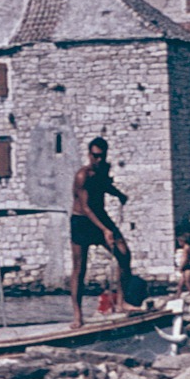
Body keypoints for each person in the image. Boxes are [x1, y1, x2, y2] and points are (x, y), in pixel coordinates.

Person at [70, 136, 135, 328]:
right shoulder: (83, 175)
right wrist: (105, 230)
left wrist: (119, 195)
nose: (98, 160)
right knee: (79, 269)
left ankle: (121, 302)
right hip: (82, 220)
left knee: (124, 254)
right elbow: (86, 207)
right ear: (89, 154)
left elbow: (105, 186)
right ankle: (77, 315)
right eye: (95, 156)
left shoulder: (103, 170)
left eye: (102, 156)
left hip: (101, 216)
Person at [174, 231, 190, 297]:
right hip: (185, 267)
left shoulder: (186, 248)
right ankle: (177, 295)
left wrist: (180, 267)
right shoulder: (185, 248)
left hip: (188, 267)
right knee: (180, 284)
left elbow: (185, 258)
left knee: (187, 282)